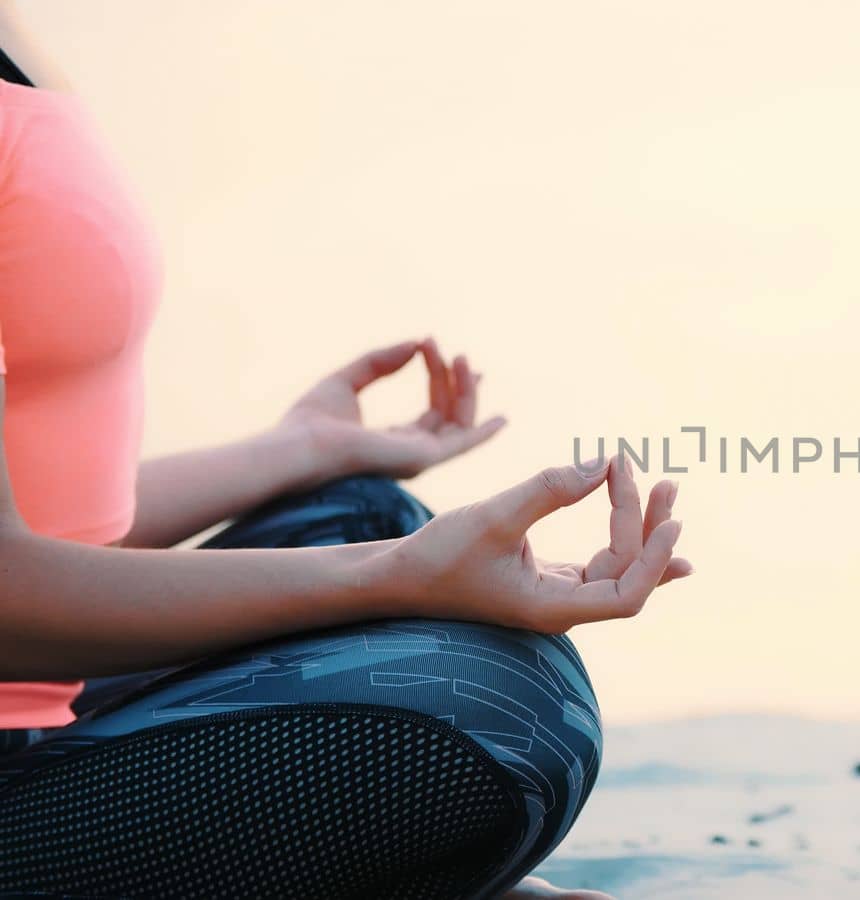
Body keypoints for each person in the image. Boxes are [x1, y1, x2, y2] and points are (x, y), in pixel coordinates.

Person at [0, 5, 688, 897]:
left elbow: (45, 523)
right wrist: (396, 574)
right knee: (497, 706)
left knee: (360, 509)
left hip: (54, 694)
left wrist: (297, 452)